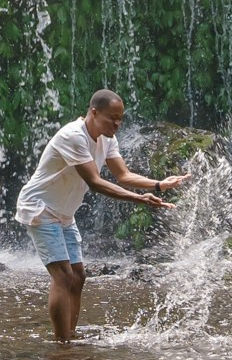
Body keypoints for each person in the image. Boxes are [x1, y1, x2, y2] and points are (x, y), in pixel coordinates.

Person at [15, 88, 190, 342]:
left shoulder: (107, 139)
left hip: (64, 213)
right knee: (63, 276)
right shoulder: (73, 136)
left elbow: (123, 175)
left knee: (78, 276)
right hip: (40, 208)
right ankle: (62, 346)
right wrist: (139, 198)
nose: (117, 124)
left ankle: (70, 336)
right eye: (112, 118)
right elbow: (95, 182)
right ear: (94, 113)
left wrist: (158, 185)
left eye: (120, 119)